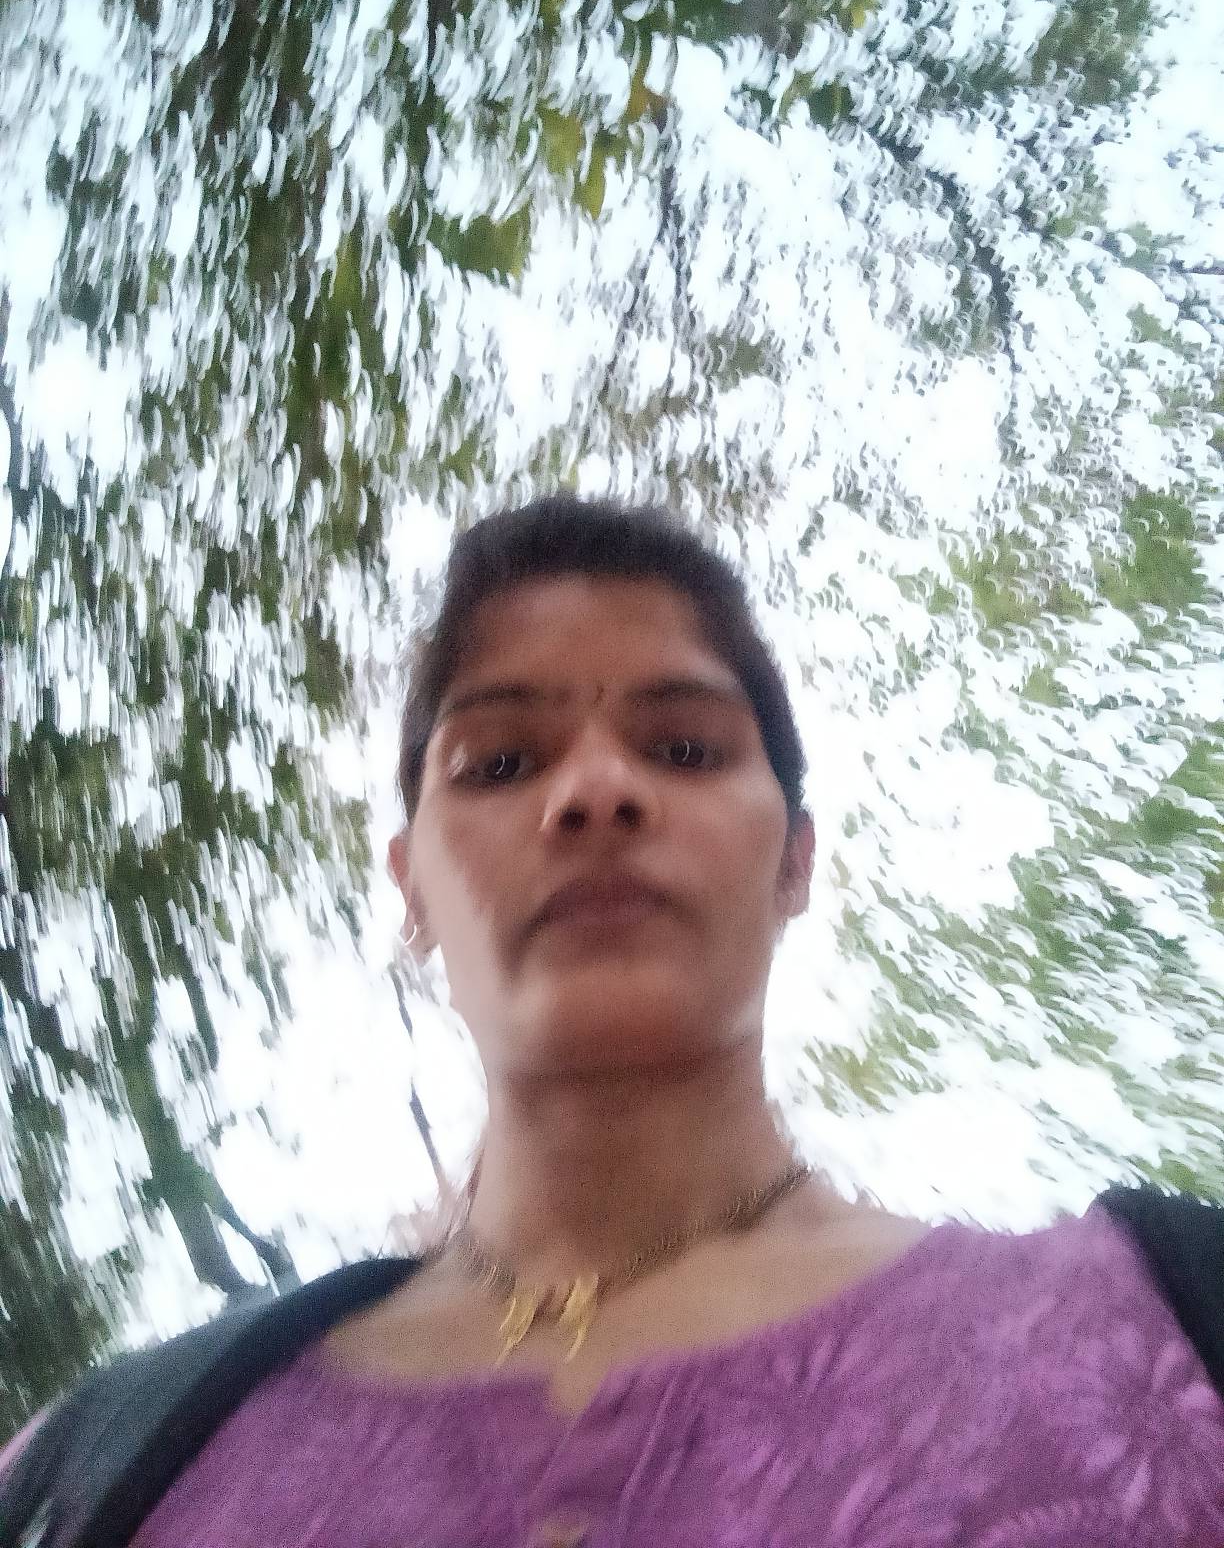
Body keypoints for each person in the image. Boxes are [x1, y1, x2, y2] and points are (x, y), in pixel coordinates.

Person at [3, 492, 1224, 1548]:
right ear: (413, 888)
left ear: (795, 863)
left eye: (684, 747)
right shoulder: (97, 1465)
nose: (595, 790)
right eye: (500, 764)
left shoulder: (1166, 1320)